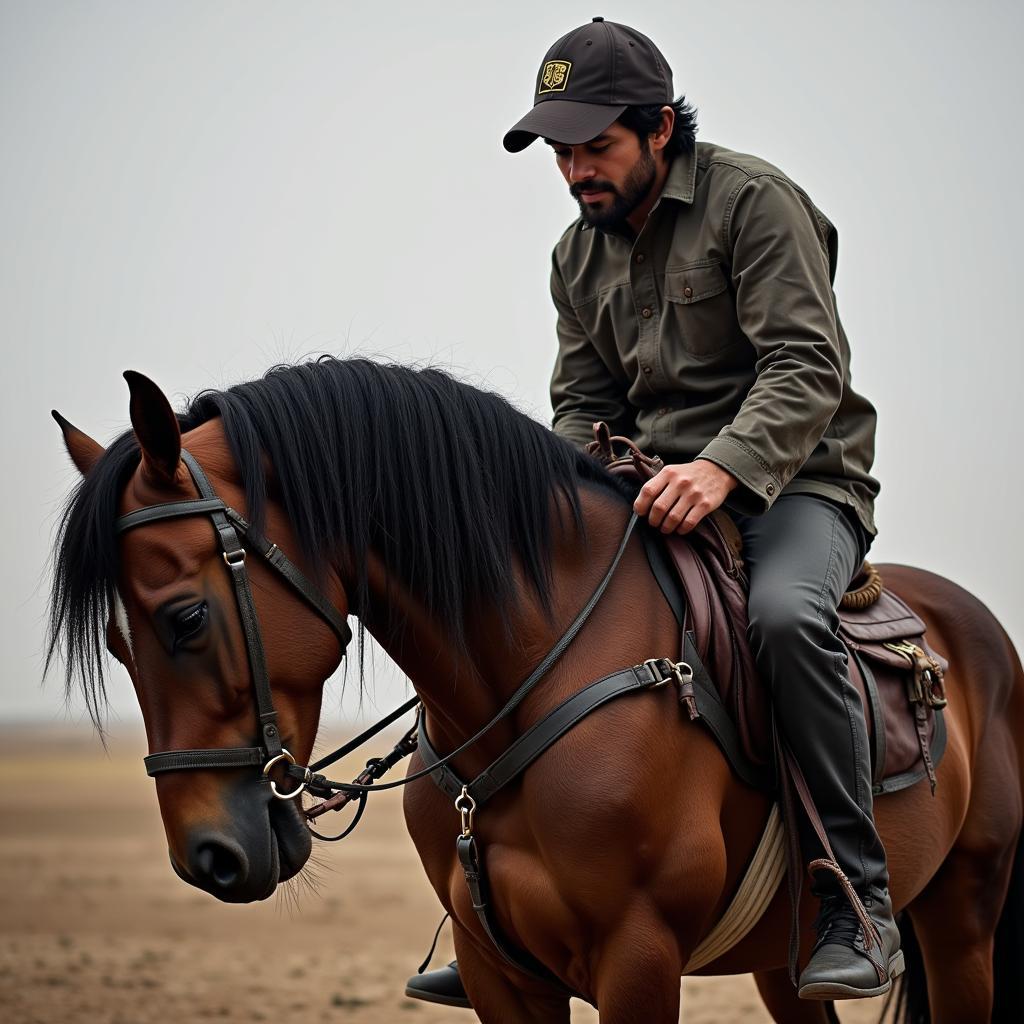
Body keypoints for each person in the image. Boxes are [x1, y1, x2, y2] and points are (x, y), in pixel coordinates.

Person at [406, 17, 901, 1008]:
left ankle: (857, 895)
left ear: (660, 129)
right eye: (560, 152)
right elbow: (582, 399)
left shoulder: (752, 203)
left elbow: (806, 369)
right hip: (647, 490)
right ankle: (501, 908)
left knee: (782, 616)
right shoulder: (573, 256)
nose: (575, 170)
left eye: (595, 147)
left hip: (798, 481)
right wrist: (570, 475)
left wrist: (721, 469)